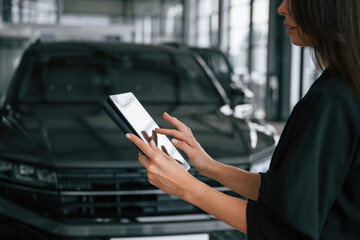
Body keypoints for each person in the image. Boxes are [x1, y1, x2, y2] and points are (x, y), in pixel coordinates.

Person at [126, 0, 360, 239]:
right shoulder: (343, 86)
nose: (281, 8)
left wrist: (186, 187)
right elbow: (286, 194)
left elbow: (286, 231)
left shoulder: (333, 100)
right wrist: (209, 166)